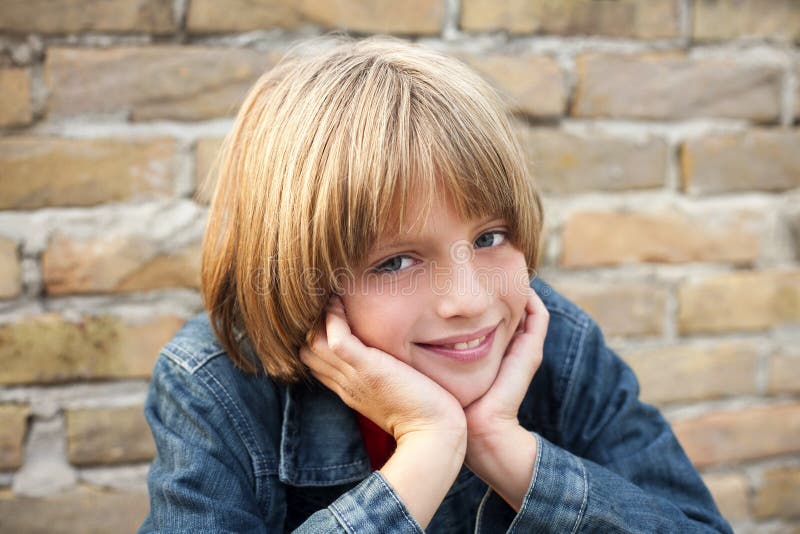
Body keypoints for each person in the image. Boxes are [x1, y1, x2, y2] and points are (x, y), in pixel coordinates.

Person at [138, 35, 733, 533]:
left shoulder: (559, 343)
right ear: (305, 278)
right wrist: (428, 448)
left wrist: (506, 450)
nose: (469, 300)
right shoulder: (214, 385)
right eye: (396, 262)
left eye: (489, 237)